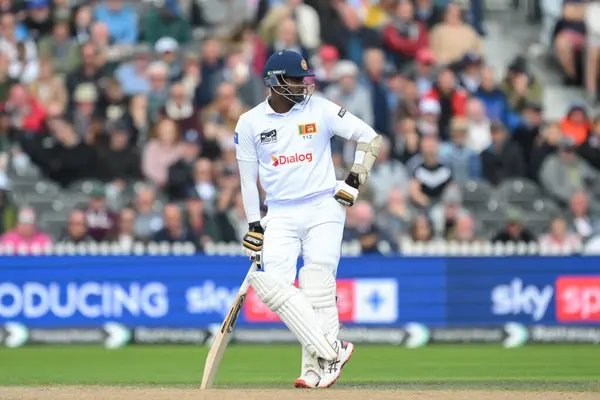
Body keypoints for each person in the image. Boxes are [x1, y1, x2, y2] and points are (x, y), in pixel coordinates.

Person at [235, 50, 381, 389]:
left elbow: (369, 137)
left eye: (304, 78)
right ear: (274, 81)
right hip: (280, 212)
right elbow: (247, 179)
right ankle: (333, 349)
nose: (303, 85)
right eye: (295, 79)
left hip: (323, 207)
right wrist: (254, 224)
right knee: (274, 287)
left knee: (317, 284)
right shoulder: (250, 122)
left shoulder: (321, 108)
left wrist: (354, 180)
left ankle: (316, 370)